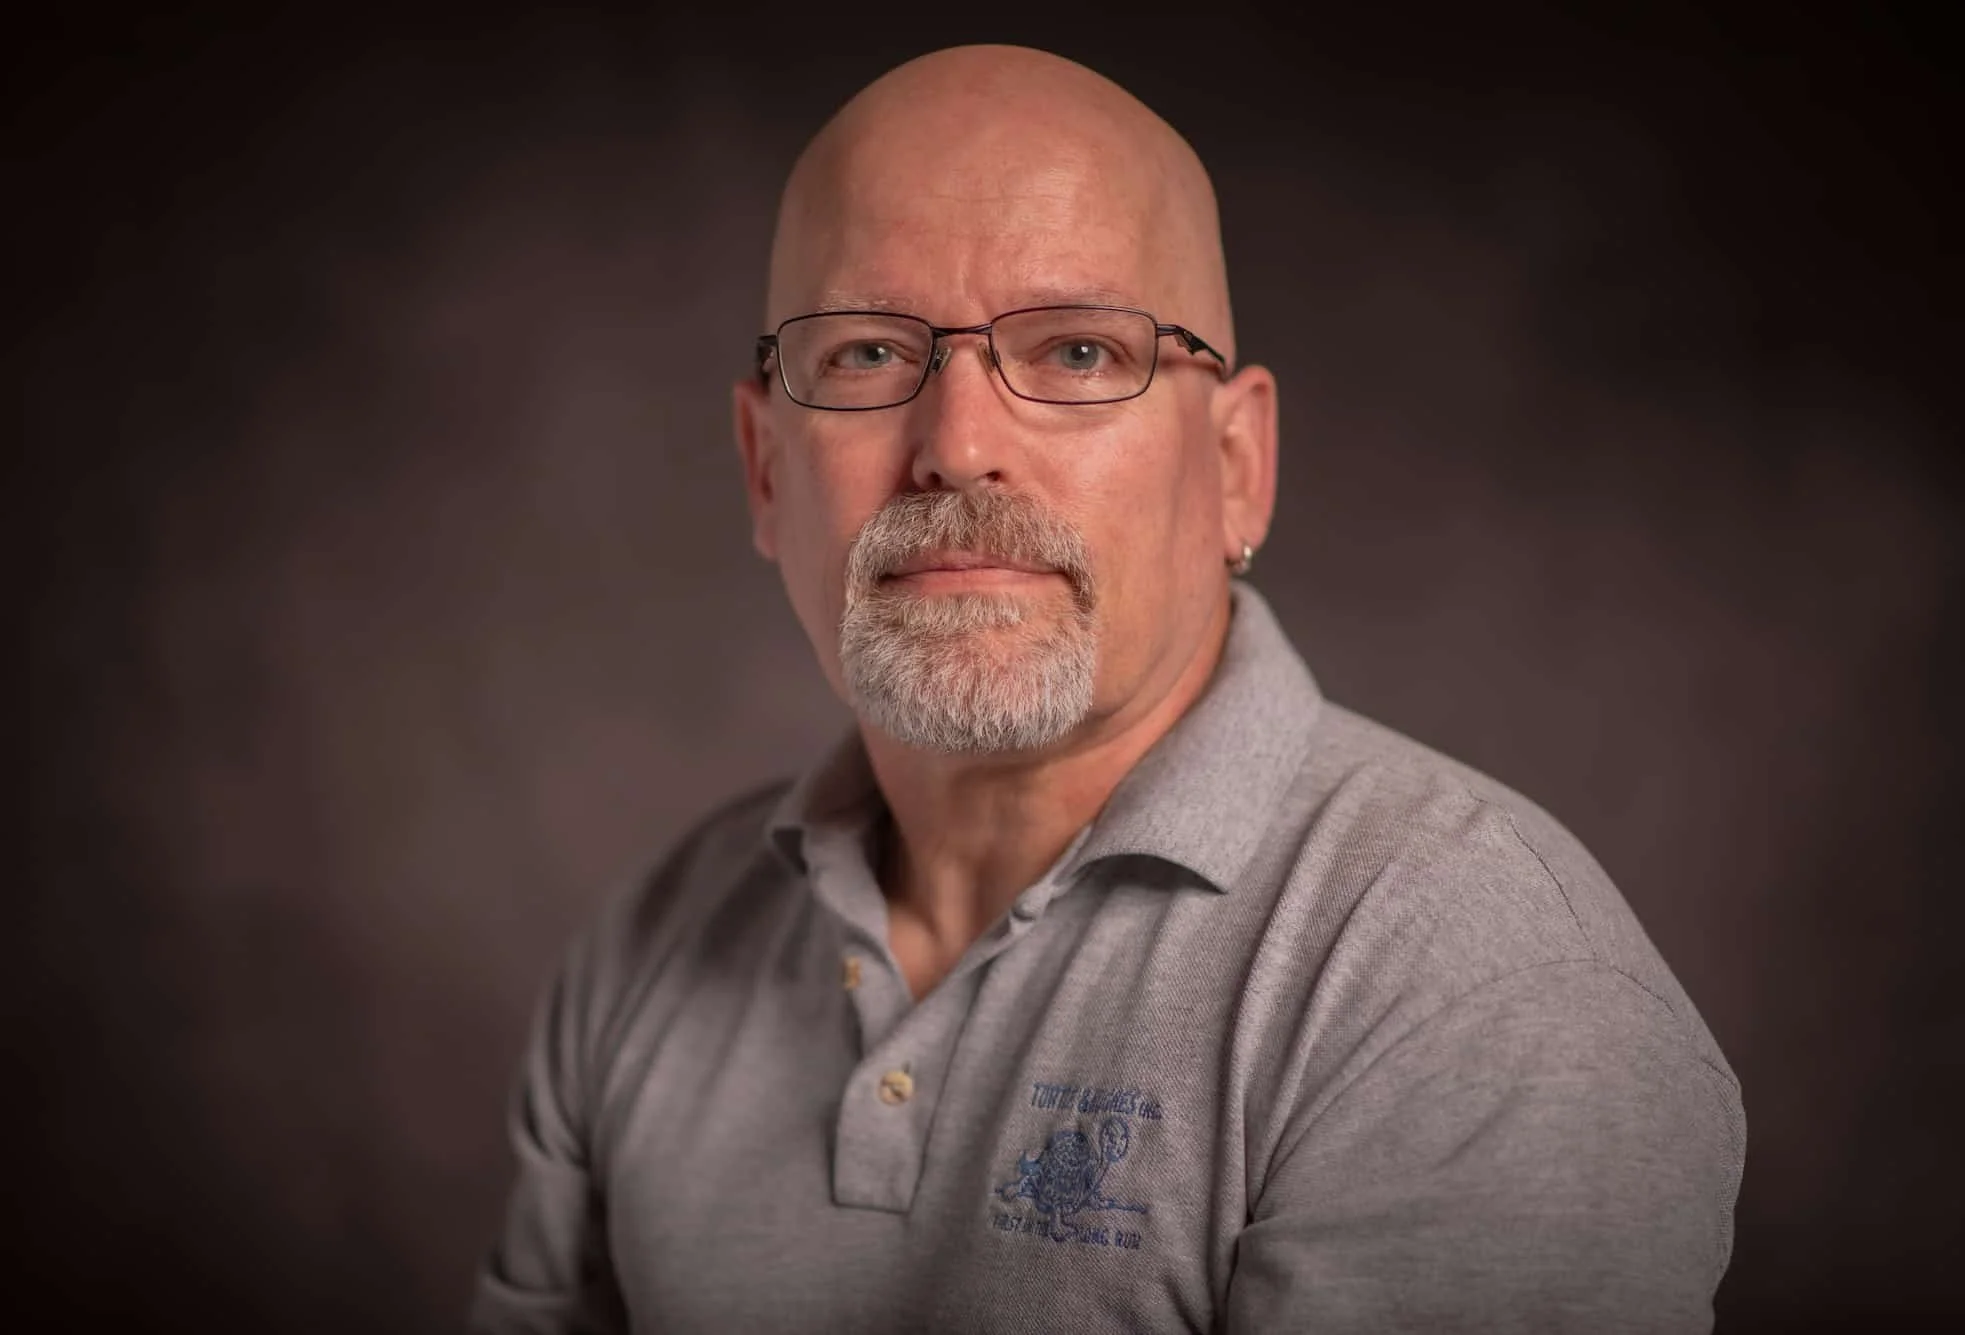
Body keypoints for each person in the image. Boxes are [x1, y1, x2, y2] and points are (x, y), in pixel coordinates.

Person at [470, 43, 1745, 1334]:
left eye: (1078, 352)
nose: (959, 445)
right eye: (863, 355)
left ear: (1238, 464)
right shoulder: (652, 948)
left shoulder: (1473, 987)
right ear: (762, 470)